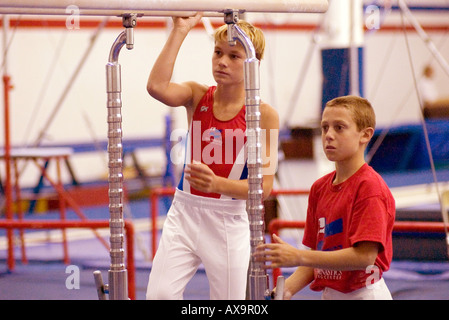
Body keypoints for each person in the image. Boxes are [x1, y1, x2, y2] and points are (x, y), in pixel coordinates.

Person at [145, 13, 279, 300]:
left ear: (253, 62)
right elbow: (156, 87)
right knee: (159, 296)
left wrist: (218, 185)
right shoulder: (197, 95)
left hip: (227, 221)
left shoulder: (264, 115)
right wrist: (180, 29)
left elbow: (264, 188)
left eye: (234, 56)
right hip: (184, 213)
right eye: (218, 53)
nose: (222, 61)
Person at [255, 95, 395, 300]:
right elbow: (317, 256)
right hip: (330, 294)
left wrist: (298, 255)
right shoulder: (319, 189)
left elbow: (365, 256)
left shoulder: (369, 187)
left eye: (339, 127)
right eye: (324, 127)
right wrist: (285, 290)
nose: (328, 135)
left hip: (364, 294)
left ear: (365, 135)